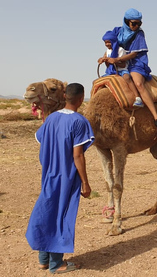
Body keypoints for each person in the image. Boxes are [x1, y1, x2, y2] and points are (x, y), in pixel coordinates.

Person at [25, 83, 95, 274]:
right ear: (81, 99)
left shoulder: (51, 118)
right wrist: (86, 183)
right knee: (62, 215)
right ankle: (57, 264)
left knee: (47, 210)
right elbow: (78, 155)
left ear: (65, 96)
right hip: (67, 176)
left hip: (49, 174)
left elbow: (41, 140)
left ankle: (44, 259)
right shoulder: (80, 122)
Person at [106, 8, 157, 131]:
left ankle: (156, 117)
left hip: (136, 63)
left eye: (139, 23)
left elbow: (134, 54)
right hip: (119, 61)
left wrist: (117, 60)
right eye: (134, 23)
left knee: (138, 83)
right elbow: (109, 43)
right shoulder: (117, 31)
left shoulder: (139, 34)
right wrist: (105, 57)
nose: (136, 26)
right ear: (127, 22)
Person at [97, 29, 144, 107]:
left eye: (108, 42)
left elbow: (123, 65)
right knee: (97, 82)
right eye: (105, 43)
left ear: (113, 41)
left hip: (121, 70)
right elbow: (108, 66)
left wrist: (114, 61)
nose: (107, 44)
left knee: (127, 78)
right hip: (111, 71)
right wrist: (103, 60)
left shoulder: (120, 50)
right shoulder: (107, 51)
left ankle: (137, 97)